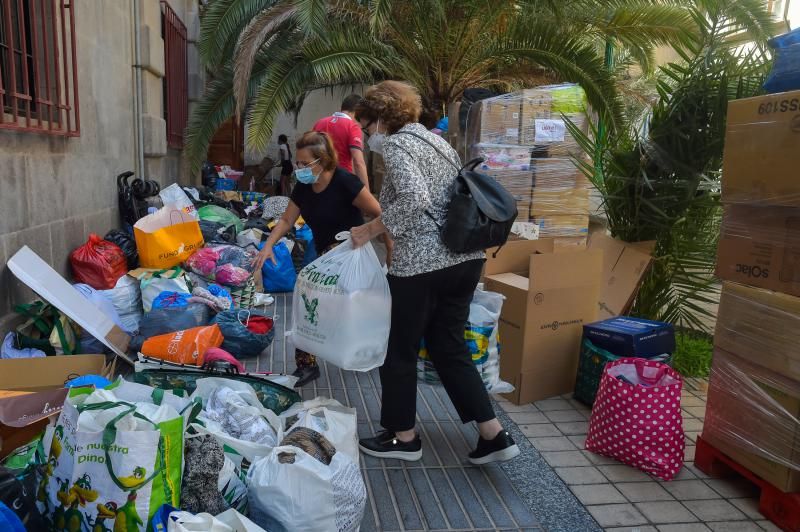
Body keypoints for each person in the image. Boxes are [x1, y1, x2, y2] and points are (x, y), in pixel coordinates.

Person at [350, 81, 520, 465]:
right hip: (465, 259)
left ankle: (403, 437)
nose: (366, 134)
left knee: (400, 349)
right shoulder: (435, 141)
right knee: (449, 346)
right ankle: (493, 434)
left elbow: (414, 199)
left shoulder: (396, 145)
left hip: (423, 265)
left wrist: (370, 230)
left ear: (380, 118)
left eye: (367, 124)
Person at [254, 131, 382, 386]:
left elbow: (381, 214)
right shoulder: (304, 186)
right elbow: (287, 220)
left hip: (351, 254)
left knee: (341, 304)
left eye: (304, 163)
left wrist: (388, 250)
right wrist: (267, 245)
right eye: (298, 163)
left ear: (322, 161)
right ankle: (307, 364)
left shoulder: (345, 182)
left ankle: (368, 352)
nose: (298, 168)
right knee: (308, 301)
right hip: (326, 255)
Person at [313, 94, 369, 188]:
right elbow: (358, 162)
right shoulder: (352, 127)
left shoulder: (319, 122)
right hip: (342, 181)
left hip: (319, 180)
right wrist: (367, 193)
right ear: (358, 111)